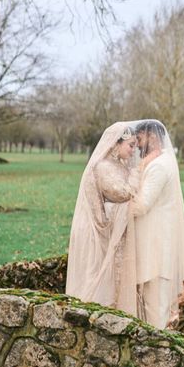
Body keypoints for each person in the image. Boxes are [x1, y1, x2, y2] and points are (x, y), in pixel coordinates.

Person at [65, 122, 140, 314]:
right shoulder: (103, 166)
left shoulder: (118, 165)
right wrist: (136, 172)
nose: (133, 150)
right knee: (94, 277)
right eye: (130, 145)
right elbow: (122, 193)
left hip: (106, 228)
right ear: (116, 143)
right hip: (94, 230)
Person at [131, 119, 184, 329]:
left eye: (139, 138)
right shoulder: (162, 160)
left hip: (156, 245)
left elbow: (141, 205)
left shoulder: (159, 166)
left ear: (152, 136)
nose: (137, 145)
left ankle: (157, 343)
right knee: (153, 302)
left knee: (155, 304)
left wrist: (116, 205)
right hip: (157, 240)